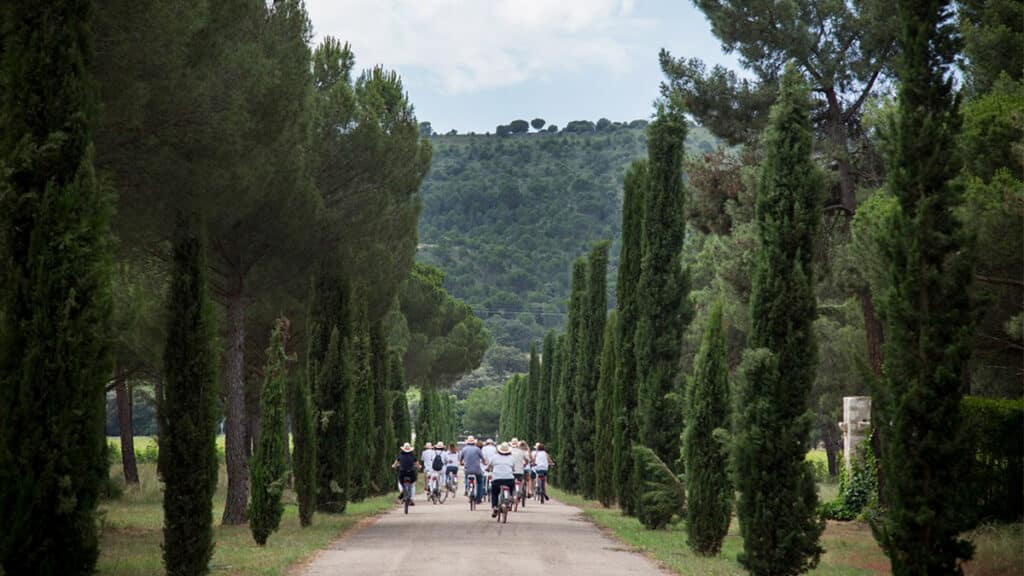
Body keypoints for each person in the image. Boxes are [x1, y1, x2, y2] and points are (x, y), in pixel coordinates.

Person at [487, 442, 516, 517]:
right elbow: (513, 469)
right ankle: (511, 499)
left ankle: (495, 507)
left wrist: (488, 469)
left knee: (494, 493)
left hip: (497, 479)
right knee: (512, 488)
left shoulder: (494, 457)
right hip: (509, 479)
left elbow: (489, 466)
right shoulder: (512, 458)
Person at [460, 436, 486, 504]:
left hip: (467, 470)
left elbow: (460, 459)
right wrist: (484, 462)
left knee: (466, 477)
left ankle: (466, 489)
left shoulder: (464, 449)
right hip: (477, 470)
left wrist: (461, 463)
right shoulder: (478, 449)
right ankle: (479, 498)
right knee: (480, 482)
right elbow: (483, 459)